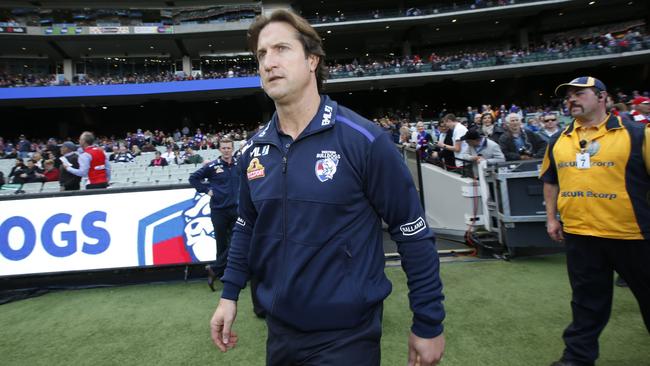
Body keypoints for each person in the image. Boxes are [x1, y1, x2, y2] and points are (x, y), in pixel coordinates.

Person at [209, 10, 445, 366]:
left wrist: (428, 323)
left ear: (312, 61)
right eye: (261, 54)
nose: (269, 62)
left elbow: (412, 232)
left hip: (347, 336)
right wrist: (229, 295)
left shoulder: (364, 140)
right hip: (280, 333)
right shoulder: (254, 150)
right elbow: (247, 225)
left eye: (281, 49)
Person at [540, 76, 650, 366]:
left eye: (580, 93)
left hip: (632, 234)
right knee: (586, 303)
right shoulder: (558, 139)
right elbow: (550, 181)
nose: (572, 99)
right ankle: (577, 358)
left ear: (603, 97)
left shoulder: (637, 134)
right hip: (580, 235)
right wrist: (552, 218)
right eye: (569, 96)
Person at [189, 138, 239, 291]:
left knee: (236, 243)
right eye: (223, 148)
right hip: (218, 210)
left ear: (232, 148)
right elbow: (193, 178)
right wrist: (206, 190)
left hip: (237, 209)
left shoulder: (239, 163)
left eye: (228, 148)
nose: (226, 150)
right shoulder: (212, 166)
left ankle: (214, 269)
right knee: (221, 244)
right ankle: (223, 275)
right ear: (219, 149)